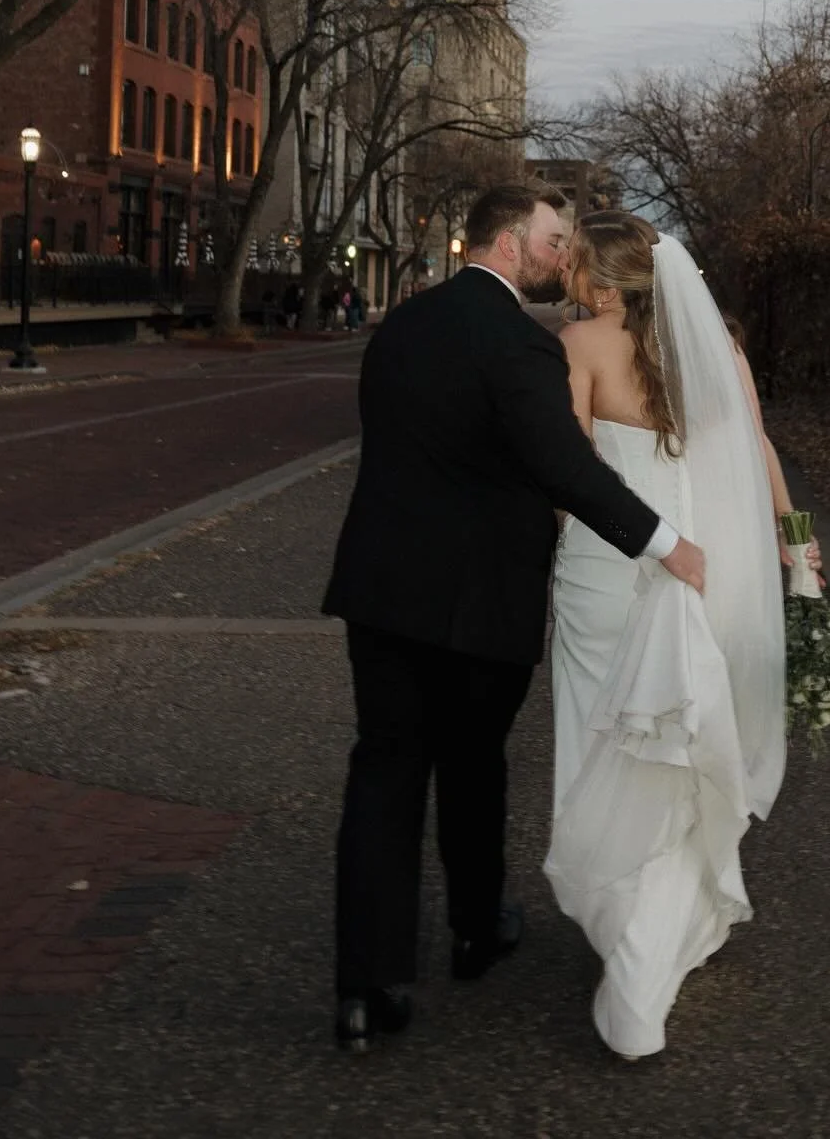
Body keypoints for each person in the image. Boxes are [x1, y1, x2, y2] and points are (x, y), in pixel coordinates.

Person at [322, 183, 707, 1054]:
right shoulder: (517, 346)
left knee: (382, 775)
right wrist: (663, 543)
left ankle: (363, 987)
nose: (560, 254)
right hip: (482, 599)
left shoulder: (401, 328)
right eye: (551, 239)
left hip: (379, 592)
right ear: (506, 243)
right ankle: (473, 927)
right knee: (472, 764)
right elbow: (566, 467)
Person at [545, 211, 818, 1059]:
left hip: (603, 578)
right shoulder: (719, 349)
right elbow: (759, 447)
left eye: (577, 270)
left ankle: (632, 955)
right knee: (678, 749)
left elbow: (569, 474)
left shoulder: (581, 346)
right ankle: (658, 932)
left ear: (599, 278)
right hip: (703, 573)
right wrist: (797, 538)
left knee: (601, 748)